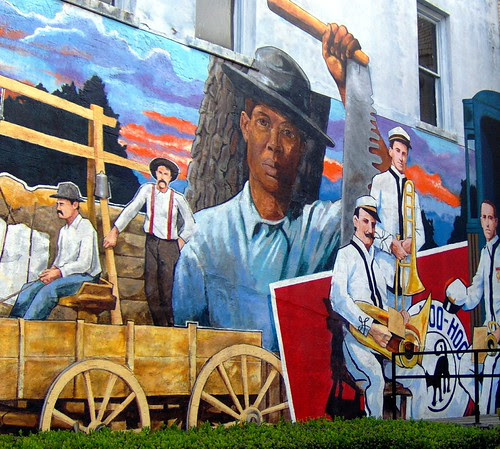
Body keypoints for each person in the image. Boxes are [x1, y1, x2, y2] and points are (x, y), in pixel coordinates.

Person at [173, 24, 362, 352]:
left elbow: (382, 194)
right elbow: (181, 348)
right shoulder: (206, 237)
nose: (274, 144)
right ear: (245, 126)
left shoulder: (318, 230)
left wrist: (349, 86)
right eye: (263, 122)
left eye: (288, 132)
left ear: (301, 147)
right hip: (230, 385)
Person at [329, 195, 425, 418]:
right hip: (356, 343)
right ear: (355, 221)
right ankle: (376, 431)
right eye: (365, 222)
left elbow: (381, 307)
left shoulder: (377, 263)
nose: (370, 229)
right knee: (376, 378)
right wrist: (370, 327)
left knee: (417, 374)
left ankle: (417, 431)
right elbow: (337, 298)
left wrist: (398, 317)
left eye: (373, 224)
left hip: (383, 344)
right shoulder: (345, 255)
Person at [104, 157, 195, 327]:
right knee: (150, 289)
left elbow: (190, 224)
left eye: (166, 174)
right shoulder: (147, 190)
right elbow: (131, 209)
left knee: (166, 290)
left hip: (169, 246)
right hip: (151, 243)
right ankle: (159, 326)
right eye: (160, 172)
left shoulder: (177, 198)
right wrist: (115, 231)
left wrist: (179, 243)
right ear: (155, 174)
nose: (162, 176)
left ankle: (170, 327)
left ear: (170, 178)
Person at [10, 182, 101, 320]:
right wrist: (51, 271)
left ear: (75, 205)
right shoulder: (64, 230)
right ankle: (13, 324)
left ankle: (30, 326)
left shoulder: (85, 227)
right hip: (66, 274)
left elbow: (84, 264)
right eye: (57, 204)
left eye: (62, 204)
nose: (58, 208)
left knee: (49, 290)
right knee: (29, 288)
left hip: (86, 277)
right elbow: (61, 259)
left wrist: (58, 273)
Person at [445, 200, 500, 414]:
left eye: (490, 218)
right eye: (483, 217)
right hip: (488, 329)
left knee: (490, 367)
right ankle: (486, 410)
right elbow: (475, 294)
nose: (486, 223)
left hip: (499, 331)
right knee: (464, 367)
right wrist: (457, 298)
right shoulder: (485, 254)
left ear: (496, 222)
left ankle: (485, 421)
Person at [369, 127, 424, 308]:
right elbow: (371, 224)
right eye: (398, 151)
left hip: (406, 281)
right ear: (390, 151)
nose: (401, 157)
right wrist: (391, 244)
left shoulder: (412, 193)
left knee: (405, 323)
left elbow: (420, 233)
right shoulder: (379, 182)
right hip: (383, 274)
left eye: (404, 153)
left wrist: (410, 243)